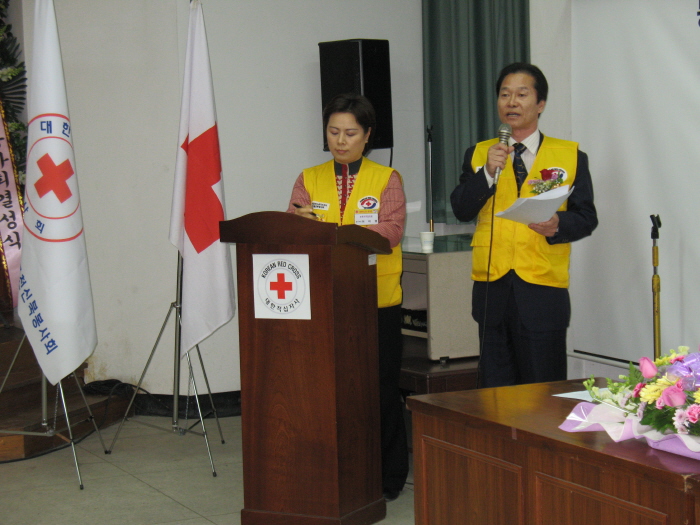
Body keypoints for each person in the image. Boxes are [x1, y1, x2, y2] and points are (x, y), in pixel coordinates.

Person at [287, 93, 408, 502]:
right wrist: (297, 224)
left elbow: (391, 231)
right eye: (334, 132)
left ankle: (388, 478)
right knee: (328, 392)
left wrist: (342, 236)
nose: (341, 141)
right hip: (323, 304)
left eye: (351, 133)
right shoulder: (309, 178)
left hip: (376, 305)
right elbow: (291, 225)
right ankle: (335, 471)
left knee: (380, 391)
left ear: (367, 135)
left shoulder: (386, 179)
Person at [450, 63, 597, 388]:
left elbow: (587, 217)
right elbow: (460, 208)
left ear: (540, 103)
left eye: (521, 94)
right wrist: (487, 172)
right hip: (493, 289)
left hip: (542, 290)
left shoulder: (570, 156)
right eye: (505, 94)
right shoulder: (478, 154)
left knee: (544, 393)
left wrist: (559, 223)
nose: (511, 102)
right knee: (496, 395)